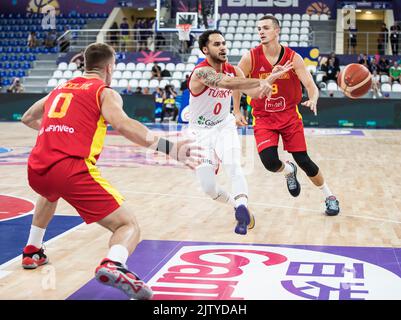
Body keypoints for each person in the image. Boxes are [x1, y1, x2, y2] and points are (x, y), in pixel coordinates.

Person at [20, 43, 201, 300]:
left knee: (50, 192)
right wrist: (170, 149)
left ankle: (32, 250)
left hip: (37, 168)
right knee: (127, 225)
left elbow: (27, 118)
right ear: (109, 67)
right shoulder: (103, 92)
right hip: (71, 169)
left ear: (85, 64)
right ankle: (114, 263)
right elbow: (124, 125)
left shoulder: (60, 88)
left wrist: (57, 134)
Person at [188, 30, 292, 235]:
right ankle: (236, 206)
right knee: (209, 188)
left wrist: (270, 79)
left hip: (223, 126)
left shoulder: (234, 70)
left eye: (224, 43)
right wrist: (258, 81)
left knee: (234, 166)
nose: (223, 47)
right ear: (205, 50)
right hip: (200, 132)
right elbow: (225, 83)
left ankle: (242, 206)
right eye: (217, 44)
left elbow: (254, 93)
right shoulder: (201, 72)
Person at [236, 15, 340, 216]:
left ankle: (329, 196)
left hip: (289, 116)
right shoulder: (250, 57)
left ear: (277, 31)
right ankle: (288, 171)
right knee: (270, 162)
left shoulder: (293, 58)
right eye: (259, 29)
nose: (261, 32)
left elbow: (310, 85)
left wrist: (314, 98)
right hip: (263, 118)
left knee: (304, 160)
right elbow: (237, 83)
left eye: (265, 28)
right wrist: (236, 110)